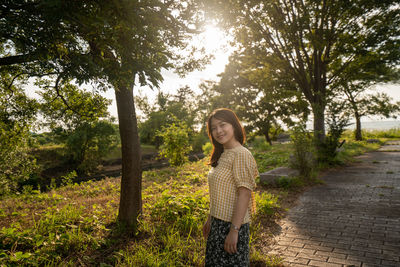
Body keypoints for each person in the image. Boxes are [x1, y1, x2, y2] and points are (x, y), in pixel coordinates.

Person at [202, 108, 258, 267]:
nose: (218, 131)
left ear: (234, 125)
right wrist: (210, 218)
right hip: (217, 225)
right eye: (213, 128)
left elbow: (244, 195)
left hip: (232, 226)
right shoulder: (223, 153)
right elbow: (219, 194)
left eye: (222, 125)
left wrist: (234, 231)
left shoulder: (241, 154)